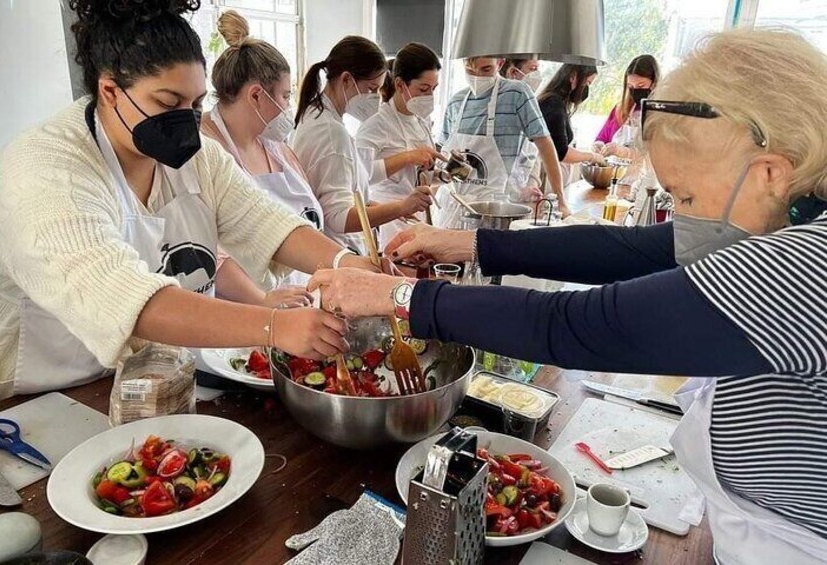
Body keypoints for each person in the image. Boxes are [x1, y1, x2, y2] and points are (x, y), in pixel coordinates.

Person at [309, 29, 827, 564]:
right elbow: (627, 248)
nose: (682, 214)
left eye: (688, 196)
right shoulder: (786, 216)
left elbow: (577, 324)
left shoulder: (806, 267)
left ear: (769, 173)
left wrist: (400, 295)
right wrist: (472, 243)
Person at [0, 0, 381, 405]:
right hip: (38, 395)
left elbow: (266, 221)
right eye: (169, 104)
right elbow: (127, 299)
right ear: (110, 90)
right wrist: (274, 326)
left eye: (195, 104)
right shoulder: (44, 170)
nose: (186, 119)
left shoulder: (196, 157)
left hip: (149, 375)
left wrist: (352, 268)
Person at [200, 10, 322, 295]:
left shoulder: (279, 150)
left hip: (303, 306)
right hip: (247, 322)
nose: (288, 107)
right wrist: (265, 305)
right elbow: (210, 256)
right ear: (256, 95)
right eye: (285, 96)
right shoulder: (205, 152)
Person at [292, 36, 436, 254]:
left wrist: (382, 208)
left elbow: (351, 181)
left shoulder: (318, 116)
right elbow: (338, 218)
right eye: (371, 89)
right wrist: (401, 207)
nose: (376, 98)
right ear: (347, 80)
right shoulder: (331, 132)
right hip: (337, 249)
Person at [437, 56, 567, 225]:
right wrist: (453, 169)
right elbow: (444, 157)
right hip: (456, 211)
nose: (477, 77)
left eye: (486, 69)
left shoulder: (517, 93)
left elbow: (544, 144)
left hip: (499, 211)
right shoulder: (456, 102)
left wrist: (561, 201)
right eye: (470, 71)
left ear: (500, 63)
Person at [355, 42, 443, 247]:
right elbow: (360, 176)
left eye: (433, 89)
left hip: (419, 214)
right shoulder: (375, 124)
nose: (429, 96)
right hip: (388, 218)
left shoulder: (421, 121)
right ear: (400, 84)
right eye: (423, 89)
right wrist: (408, 157)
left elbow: (417, 176)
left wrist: (443, 174)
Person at [536, 64, 605, 188]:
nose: (586, 89)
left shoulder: (558, 103)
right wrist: (592, 157)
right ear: (573, 76)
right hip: (545, 180)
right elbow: (561, 153)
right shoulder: (553, 103)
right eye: (587, 83)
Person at [594, 54, 660, 158]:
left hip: (642, 174)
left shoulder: (660, 116)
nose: (635, 90)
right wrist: (598, 145)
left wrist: (621, 151)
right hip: (616, 173)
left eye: (640, 86)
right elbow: (603, 137)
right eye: (630, 86)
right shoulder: (620, 110)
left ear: (654, 83)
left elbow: (651, 155)